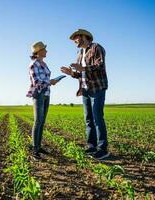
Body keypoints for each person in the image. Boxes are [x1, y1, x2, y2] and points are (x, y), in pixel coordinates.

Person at [60, 29, 109, 160]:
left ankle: (102, 148)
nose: (74, 41)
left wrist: (83, 68)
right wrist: (72, 73)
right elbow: (82, 74)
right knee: (88, 119)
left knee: (98, 118)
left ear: (84, 37)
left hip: (97, 87)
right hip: (85, 89)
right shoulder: (79, 53)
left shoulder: (96, 47)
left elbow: (100, 65)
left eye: (76, 38)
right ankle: (91, 146)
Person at [27, 41, 58, 161]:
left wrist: (52, 81)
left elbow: (45, 79)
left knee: (42, 122)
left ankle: (38, 147)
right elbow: (36, 81)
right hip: (39, 94)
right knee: (38, 121)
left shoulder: (44, 63)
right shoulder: (33, 64)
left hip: (46, 93)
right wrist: (50, 82)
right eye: (44, 49)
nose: (46, 51)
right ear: (38, 52)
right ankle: (34, 150)